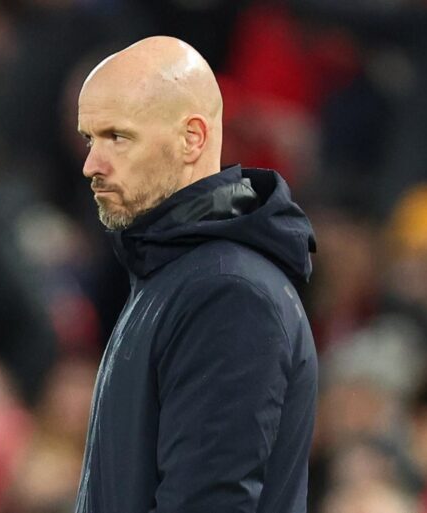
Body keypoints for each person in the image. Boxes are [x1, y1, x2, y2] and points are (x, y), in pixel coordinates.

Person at [73, 36, 318, 513]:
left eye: (117, 137)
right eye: (89, 139)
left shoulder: (228, 293)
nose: (91, 166)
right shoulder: (173, 273)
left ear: (193, 138)